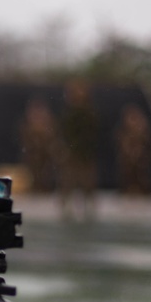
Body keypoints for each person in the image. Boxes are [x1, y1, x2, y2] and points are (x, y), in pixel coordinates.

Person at [56, 79, 100, 219]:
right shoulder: (68, 113)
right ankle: (65, 207)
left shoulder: (90, 113)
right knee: (67, 181)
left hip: (85, 153)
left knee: (88, 182)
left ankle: (89, 207)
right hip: (71, 153)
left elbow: (93, 133)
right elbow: (64, 132)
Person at [20, 97, 59, 193]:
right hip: (32, 154)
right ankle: (35, 187)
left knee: (45, 172)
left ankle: (44, 187)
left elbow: (52, 138)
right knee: (33, 172)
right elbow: (26, 138)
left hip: (45, 154)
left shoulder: (50, 124)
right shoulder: (27, 126)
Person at [116, 104, 151, 196]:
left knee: (140, 177)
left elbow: (145, 143)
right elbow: (122, 144)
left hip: (140, 162)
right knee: (127, 175)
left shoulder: (142, 131)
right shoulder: (123, 132)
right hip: (127, 162)